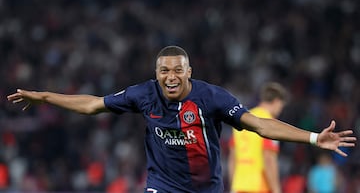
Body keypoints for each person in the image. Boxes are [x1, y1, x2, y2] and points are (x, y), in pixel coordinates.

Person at [7, 46, 356, 193]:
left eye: (177, 69)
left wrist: (313, 138)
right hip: (163, 186)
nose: (170, 76)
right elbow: (92, 105)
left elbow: (260, 125)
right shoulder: (144, 94)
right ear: (156, 73)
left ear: (189, 71)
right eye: (163, 70)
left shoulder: (212, 97)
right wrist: (44, 96)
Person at [228, 82, 287, 193]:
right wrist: (276, 189)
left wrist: (233, 187)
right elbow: (269, 158)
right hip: (260, 186)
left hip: (239, 186)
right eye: (281, 106)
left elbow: (232, 157)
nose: (280, 110)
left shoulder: (243, 118)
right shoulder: (269, 123)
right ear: (277, 101)